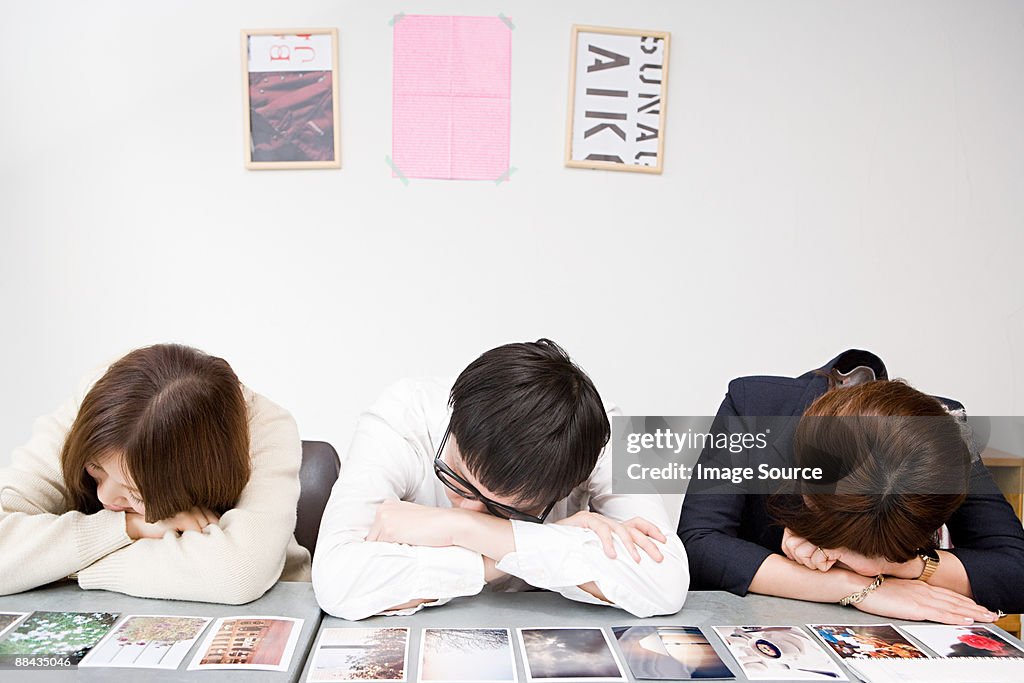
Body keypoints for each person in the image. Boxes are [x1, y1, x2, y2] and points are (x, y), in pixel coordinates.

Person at [312, 339, 688, 620]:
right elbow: (336, 581)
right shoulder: (403, 416)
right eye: (457, 479)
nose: (470, 509)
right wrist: (531, 547)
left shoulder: (600, 440)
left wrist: (457, 528)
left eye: (498, 508)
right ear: (453, 428)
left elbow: (667, 581)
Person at [677, 349, 1024, 623]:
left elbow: (1015, 570)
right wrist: (858, 588)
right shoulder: (756, 406)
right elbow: (700, 543)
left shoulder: (944, 434)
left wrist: (892, 566)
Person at [0, 344, 310, 602]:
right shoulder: (100, 406)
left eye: (135, 493)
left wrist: (48, 565)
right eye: (95, 468)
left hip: (267, 614)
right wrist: (129, 526)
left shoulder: (265, 429)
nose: (103, 496)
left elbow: (237, 574)